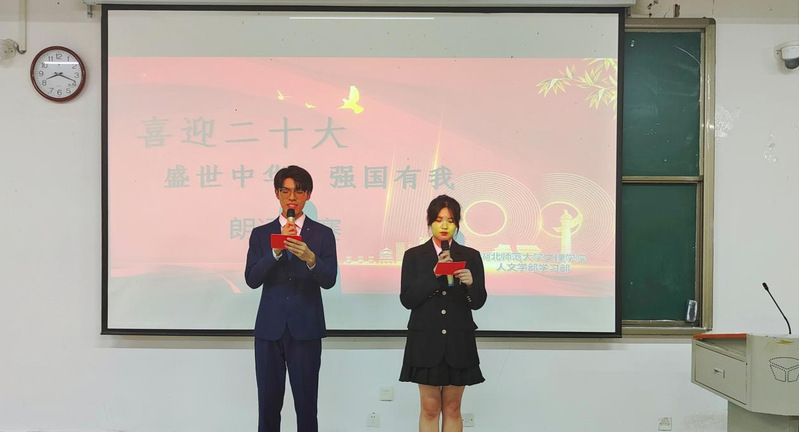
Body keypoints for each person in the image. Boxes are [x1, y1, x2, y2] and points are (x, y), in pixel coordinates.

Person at [244, 165, 338, 432]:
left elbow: (329, 280)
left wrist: (310, 258)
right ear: (276, 194)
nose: (292, 197)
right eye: (285, 191)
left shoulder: (322, 234)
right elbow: (252, 279)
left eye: (298, 191)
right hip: (269, 331)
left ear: (308, 194)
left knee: (306, 407)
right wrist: (274, 252)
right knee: (268, 406)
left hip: (306, 330)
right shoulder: (261, 234)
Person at [399, 195, 487, 432]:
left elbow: (478, 302)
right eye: (439, 220)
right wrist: (435, 274)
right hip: (425, 340)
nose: (445, 225)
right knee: (429, 407)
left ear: (457, 223)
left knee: (453, 407)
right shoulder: (414, 256)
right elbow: (407, 299)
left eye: (450, 220)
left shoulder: (470, 256)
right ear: (429, 221)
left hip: (458, 339)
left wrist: (470, 285)